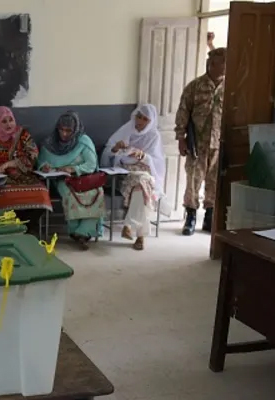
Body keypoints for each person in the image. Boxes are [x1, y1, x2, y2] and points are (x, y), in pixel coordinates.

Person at [175, 46, 226, 235]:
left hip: (219, 143)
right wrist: (181, 138)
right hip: (197, 143)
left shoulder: (230, 88)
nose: (225, 67)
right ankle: (190, 216)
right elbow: (183, 112)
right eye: (222, 63)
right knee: (193, 181)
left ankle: (209, 217)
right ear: (212, 64)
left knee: (215, 182)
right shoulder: (195, 86)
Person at [101, 104, 166, 250]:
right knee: (142, 185)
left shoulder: (154, 136)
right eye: (139, 116)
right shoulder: (126, 129)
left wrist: (143, 156)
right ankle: (140, 235)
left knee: (141, 186)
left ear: (151, 121)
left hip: (146, 172)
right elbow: (108, 153)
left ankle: (129, 225)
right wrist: (116, 148)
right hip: (124, 174)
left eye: (145, 119)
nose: (140, 121)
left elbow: (157, 161)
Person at [37, 111, 104, 250]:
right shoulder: (50, 143)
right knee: (70, 196)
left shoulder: (83, 141)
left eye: (68, 130)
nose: (64, 134)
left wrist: (73, 169)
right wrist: (45, 167)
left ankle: (83, 233)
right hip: (63, 180)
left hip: (86, 179)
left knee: (97, 194)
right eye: (61, 129)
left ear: (76, 130)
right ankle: (75, 231)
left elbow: (91, 164)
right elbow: (41, 161)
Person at [0, 106, 52, 215]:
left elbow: (33, 155)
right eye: (4, 121)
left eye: (11, 120)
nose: (9, 124)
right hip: (1, 181)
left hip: (25, 178)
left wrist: (9, 164)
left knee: (41, 192)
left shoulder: (22, 135)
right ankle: (12, 226)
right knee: (5, 195)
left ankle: (31, 227)